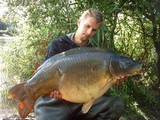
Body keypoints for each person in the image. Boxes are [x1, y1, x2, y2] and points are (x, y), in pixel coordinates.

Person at [34, 8, 126, 120]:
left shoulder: (94, 53)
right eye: (87, 26)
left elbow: (97, 86)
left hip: (81, 101)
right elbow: (46, 76)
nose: (89, 33)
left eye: (94, 30)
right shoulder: (58, 44)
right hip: (55, 103)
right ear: (79, 22)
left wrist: (111, 80)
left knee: (116, 105)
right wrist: (51, 91)